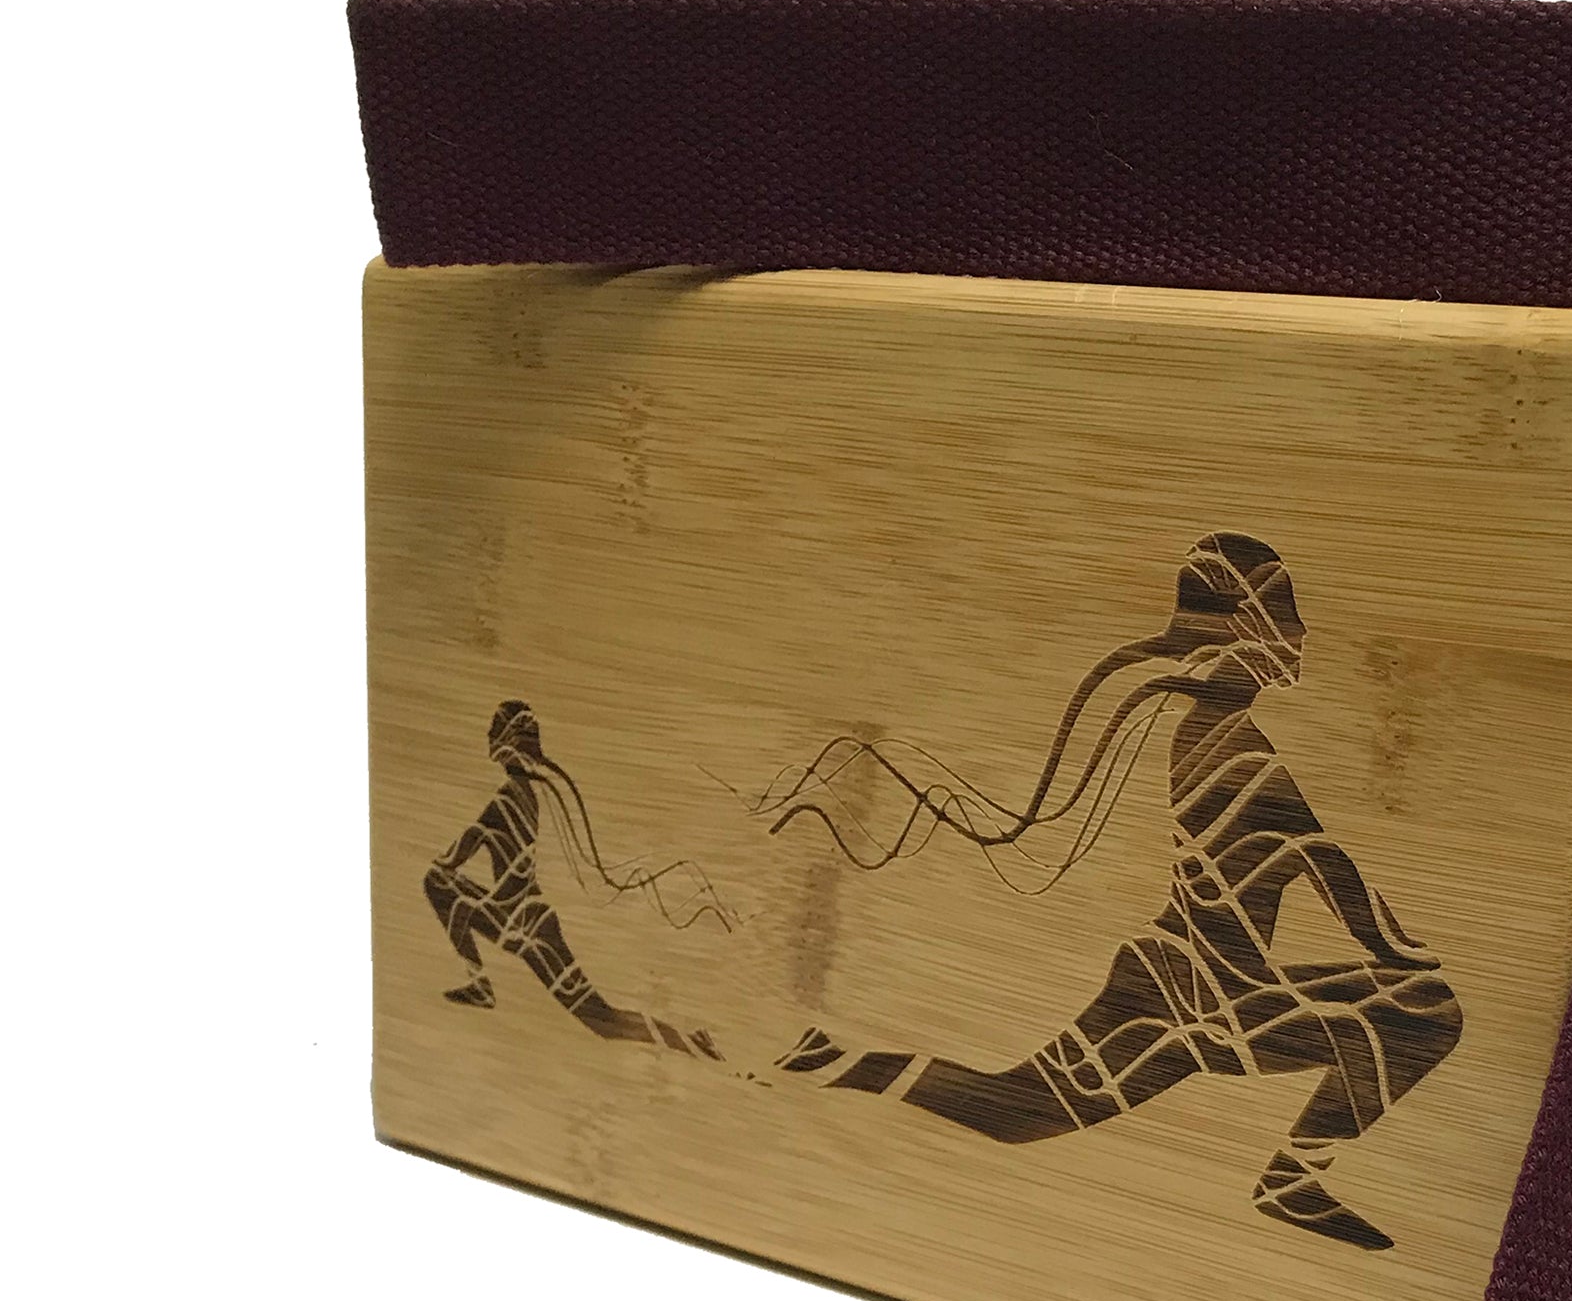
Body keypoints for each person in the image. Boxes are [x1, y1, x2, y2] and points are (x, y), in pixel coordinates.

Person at [770, 535, 1461, 1249]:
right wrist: (1405, 953)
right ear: (1243, 624)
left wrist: (1397, 954)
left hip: (1209, 984)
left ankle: (1292, 1180)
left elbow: (1317, 867)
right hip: (1191, 996)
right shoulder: (1234, 751)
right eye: (1285, 610)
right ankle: (828, 1059)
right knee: (1017, 1112)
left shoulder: (1218, 736)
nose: (1303, 630)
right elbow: (1329, 870)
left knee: (1020, 1109)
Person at [425, 699, 721, 1058]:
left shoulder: (505, 802)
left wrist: (466, 895)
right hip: (523, 918)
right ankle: (691, 1041)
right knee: (603, 1019)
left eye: (494, 729)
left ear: (507, 738)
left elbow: (449, 862)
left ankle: (691, 1043)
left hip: (523, 925)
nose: (488, 736)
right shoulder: (525, 795)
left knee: (603, 1021)